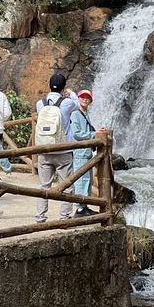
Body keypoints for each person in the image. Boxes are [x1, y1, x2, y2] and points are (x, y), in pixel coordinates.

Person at [35, 73, 78, 224]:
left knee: (44, 186)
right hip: (63, 151)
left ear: (49, 86)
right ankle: (64, 218)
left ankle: (40, 218)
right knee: (66, 186)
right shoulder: (67, 103)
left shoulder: (40, 103)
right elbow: (78, 105)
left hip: (44, 150)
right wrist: (71, 93)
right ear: (63, 87)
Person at [71, 89, 97, 218]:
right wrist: (94, 135)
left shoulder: (86, 114)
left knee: (88, 179)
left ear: (90, 101)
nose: (85, 99)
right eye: (82, 97)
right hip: (80, 152)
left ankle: (84, 206)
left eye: (87, 98)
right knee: (81, 180)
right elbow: (76, 134)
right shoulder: (76, 114)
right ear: (79, 99)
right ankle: (79, 209)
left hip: (86, 153)